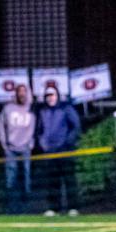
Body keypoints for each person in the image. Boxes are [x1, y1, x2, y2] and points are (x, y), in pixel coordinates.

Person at [35, 86, 82, 216]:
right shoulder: (43, 111)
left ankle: (73, 207)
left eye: (52, 95)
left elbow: (75, 126)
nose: (50, 97)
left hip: (65, 151)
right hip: (49, 153)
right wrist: (43, 144)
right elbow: (39, 131)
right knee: (52, 181)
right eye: (48, 95)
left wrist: (67, 142)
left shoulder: (66, 108)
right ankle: (53, 208)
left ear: (57, 95)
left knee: (69, 180)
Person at [0, 85, 35, 214]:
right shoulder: (8, 108)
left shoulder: (31, 109)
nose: (22, 94)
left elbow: (36, 126)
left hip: (25, 148)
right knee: (11, 177)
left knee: (26, 175)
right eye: (20, 92)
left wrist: (31, 143)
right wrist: (4, 143)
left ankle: (27, 205)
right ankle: (12, 206)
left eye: (24, 91)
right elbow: (1, 126)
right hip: (11, 148)